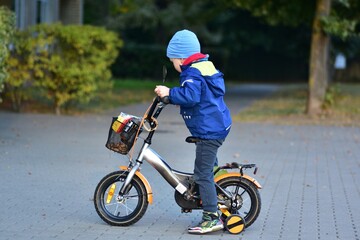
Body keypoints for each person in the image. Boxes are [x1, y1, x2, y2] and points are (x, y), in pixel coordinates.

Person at [154, 29, 232, 234]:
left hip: (209, 131)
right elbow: (196, 95)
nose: (174, 65)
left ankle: (211, 217)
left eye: (173, 61)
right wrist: (171, 98)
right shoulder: (204, 67)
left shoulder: (192, 72)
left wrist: (169, 92)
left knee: (202, 173)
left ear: (181, 57)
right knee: (209, 167)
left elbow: (190, 96)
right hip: (215, 126)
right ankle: (219, 190)